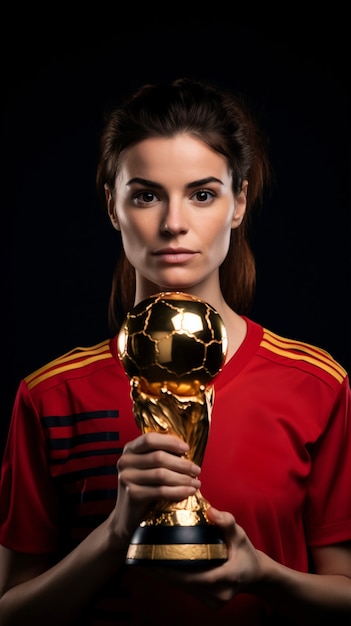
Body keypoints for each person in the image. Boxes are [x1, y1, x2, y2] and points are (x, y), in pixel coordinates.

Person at [0, 77, 350, 626]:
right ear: (112, 206)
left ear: (239, 202)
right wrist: (117, 533)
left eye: (202, 194)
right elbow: (11, 612)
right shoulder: (51, 395)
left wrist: (263, 574)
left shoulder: (317, 384)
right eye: (146, 195)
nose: (173, 224)